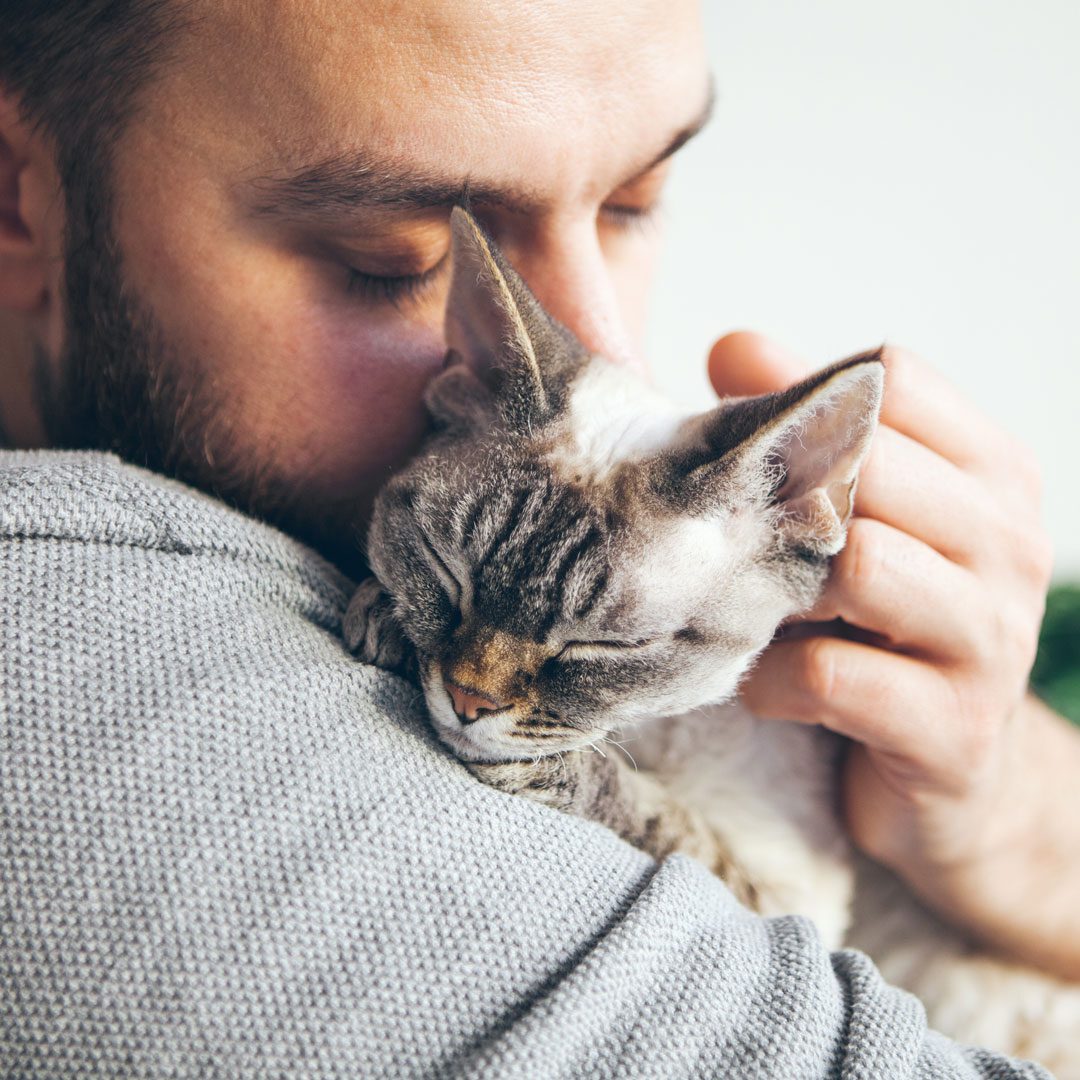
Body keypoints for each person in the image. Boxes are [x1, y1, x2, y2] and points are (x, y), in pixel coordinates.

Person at [0, 0, 1074, 1075]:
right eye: (402, 257)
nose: (609, 350)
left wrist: (1010, 807)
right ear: (16, 201)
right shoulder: (79, 665)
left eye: (636, 198)